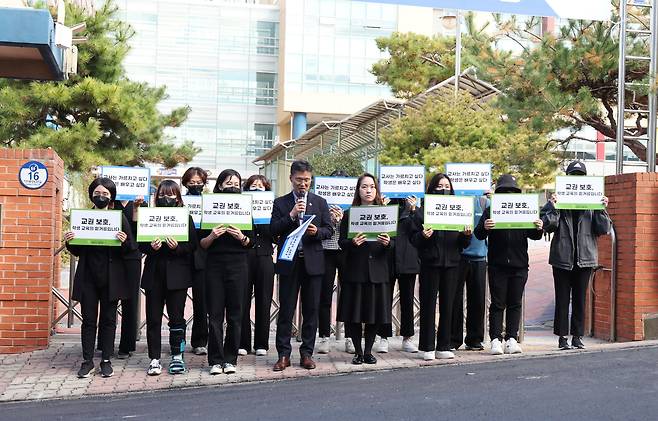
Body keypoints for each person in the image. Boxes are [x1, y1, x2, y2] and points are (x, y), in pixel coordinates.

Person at [64, 177, 138, 378]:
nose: (101, 197)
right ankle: (87, 361)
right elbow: (77, 250)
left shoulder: (119, 218)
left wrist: (123, 241)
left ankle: (106, 360)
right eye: (97, 193)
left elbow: (131, 248)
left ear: (111, 196)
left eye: (105, 194)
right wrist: (70, 241)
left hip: (112, 278)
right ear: (91, 195)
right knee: (88, 321)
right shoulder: (82, 217)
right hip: (89, 276)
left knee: (108, 320)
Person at [541, 161, 611, 350]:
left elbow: (604, 229)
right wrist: (552, 205)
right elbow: (548, 225)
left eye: (580, 176)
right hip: (562, 257)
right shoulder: (559, 202)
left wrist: (601, 207)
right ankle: (562, 338)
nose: (577, 180)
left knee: (580, 299)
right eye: (573, 176)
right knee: (562, 298)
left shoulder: (592, 203)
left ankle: (577, 336)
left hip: (585, 257)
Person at [270, 160, 333, 371]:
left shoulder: (320, 202)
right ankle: (283, 355)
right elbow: (273, 231)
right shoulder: (280, 203)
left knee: (311, 310)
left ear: (311, 179)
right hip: (290, 263)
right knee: (286, 310)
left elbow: (329, 230)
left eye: (307, 180)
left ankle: (307, 353)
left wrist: (317, 233)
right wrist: (292, 215)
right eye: (299, 180)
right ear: (291, 179)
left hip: (313, 263)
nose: (303, 184)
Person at [474, 174, 544, 355]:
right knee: (498, 303)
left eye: (511, 191)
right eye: (504, 191)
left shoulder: (524, 209)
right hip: (497, 263)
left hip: (520, 263)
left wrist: (539, 227)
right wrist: (485, 226)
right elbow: (479, 233)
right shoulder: (491, 210)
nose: (508, 194)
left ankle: (512, 338)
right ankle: (495, 339)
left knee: (515, 302)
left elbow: (534, 235)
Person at [411, 174, 472, 361]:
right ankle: (426, 346)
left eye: (446, 186)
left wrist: (466, 235)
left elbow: (463, 243)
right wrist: (424, 236)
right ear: (432, 189)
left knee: (449, 305)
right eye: (439, 186)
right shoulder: (422, 211)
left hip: (453, 263)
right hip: (430, 263)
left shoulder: (459, 210)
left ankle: (444, 345)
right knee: (428, 305)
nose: (443, 189)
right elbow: (414, 240)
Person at [139, 180, 197, 376]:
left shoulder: (185, 218)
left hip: (178, 276)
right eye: (162, 195)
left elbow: (192, 246)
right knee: (153, 318)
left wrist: (176, 248)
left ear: (178, 198)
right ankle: (154, 358)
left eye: (171, 195)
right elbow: (140, 245)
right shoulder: (149, 217)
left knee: (177, 319)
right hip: (154, 274)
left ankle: (177, 356)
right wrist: (150, 247)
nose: (167, 199)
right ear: (157, 198)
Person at [200, 169, 253, 375]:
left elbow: (251, 242)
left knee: (235, 314)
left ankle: (230, 359)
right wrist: (212, 236)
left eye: (236, 183)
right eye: (228, 182)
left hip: (238, 265)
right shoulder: (210, 207)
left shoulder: (244, 208)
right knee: (214, 314)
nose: (233, 186)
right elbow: (202, 244)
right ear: (220, 185)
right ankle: (215, 359)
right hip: (214, 265)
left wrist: (241, 237)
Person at [338, 173, 392, 364]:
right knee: (354, 314)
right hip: (355, 270)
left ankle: (368, 351)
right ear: (358, 190)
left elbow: (394, 241)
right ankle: (358, 352)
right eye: (364, 187)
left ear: (376, 190)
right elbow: (341, 242)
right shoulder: (349, 213)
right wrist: (352, 243)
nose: (368, 190)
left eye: (372, 187)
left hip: (378, 271)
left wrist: (388, 243)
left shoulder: (386, 213)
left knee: (374, 314)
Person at [377, 195, 421, 354]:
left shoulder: (414, 208)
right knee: (384, 299)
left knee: (408, 300)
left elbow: (420, 228)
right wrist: (381, 207)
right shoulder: (384, 204)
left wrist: (413, 209)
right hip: (386, 257)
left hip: (408, 258)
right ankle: (383, 337)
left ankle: (407, 337)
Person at [239, 174, 275, 357]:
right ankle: (242, 342)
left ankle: (262, 343)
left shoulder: (272, 208)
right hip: (244, 257)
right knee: (242, 301)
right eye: (253, 185)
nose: (257, 188)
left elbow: (276, 233)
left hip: (265, 257)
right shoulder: (240, 206)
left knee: (264, 300)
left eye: (261, 186)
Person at [451, 191, 490, 351]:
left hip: (479, 257)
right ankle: (453, 339)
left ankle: (474, 339)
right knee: (454, 300)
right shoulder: (454, 200)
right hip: (457, 257)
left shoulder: (484, 202)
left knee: (478, 301)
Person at [317, 169, 348, 355]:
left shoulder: (352, 205)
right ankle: (324, 336)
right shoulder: (321, 203)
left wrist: (342, 219)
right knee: (325, 296)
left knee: (349, 295)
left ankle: (350, 337)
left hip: (346, 251)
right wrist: (328, 217)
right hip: (326, 250)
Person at [181, 167, 210, 356]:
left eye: (199, 182)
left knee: (202, 302)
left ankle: (200, 341)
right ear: (185, 183)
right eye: (192, 182)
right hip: (180, 256)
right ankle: (178, 340)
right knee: (178, 303)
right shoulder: (178, 203)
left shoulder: (210, 203)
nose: (196, 185)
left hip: (202, 256)